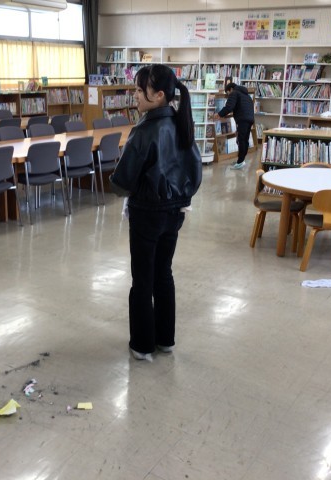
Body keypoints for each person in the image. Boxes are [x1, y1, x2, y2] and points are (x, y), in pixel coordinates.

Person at [110, 65, 202, 362]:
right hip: (175, 212)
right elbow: (195, 171)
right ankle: (165, 339)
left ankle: (142, 344)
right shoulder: (182, 123)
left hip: (147, 213)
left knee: (142, 279)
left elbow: (122, 181)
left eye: (140, 90)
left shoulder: (145, 130)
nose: (135, 96)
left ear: (159, 95)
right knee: (164, 273)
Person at [213, 82, 254, 170]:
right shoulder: (247, 95)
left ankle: (240, 162)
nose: (228, 95)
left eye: (228, 93)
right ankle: (241, 160)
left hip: (242, 119)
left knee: (241, 140)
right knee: (245, 140)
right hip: (250, 119)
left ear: (230, 89)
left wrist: (219, 114)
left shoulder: (234, 93)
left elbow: (229, 107)